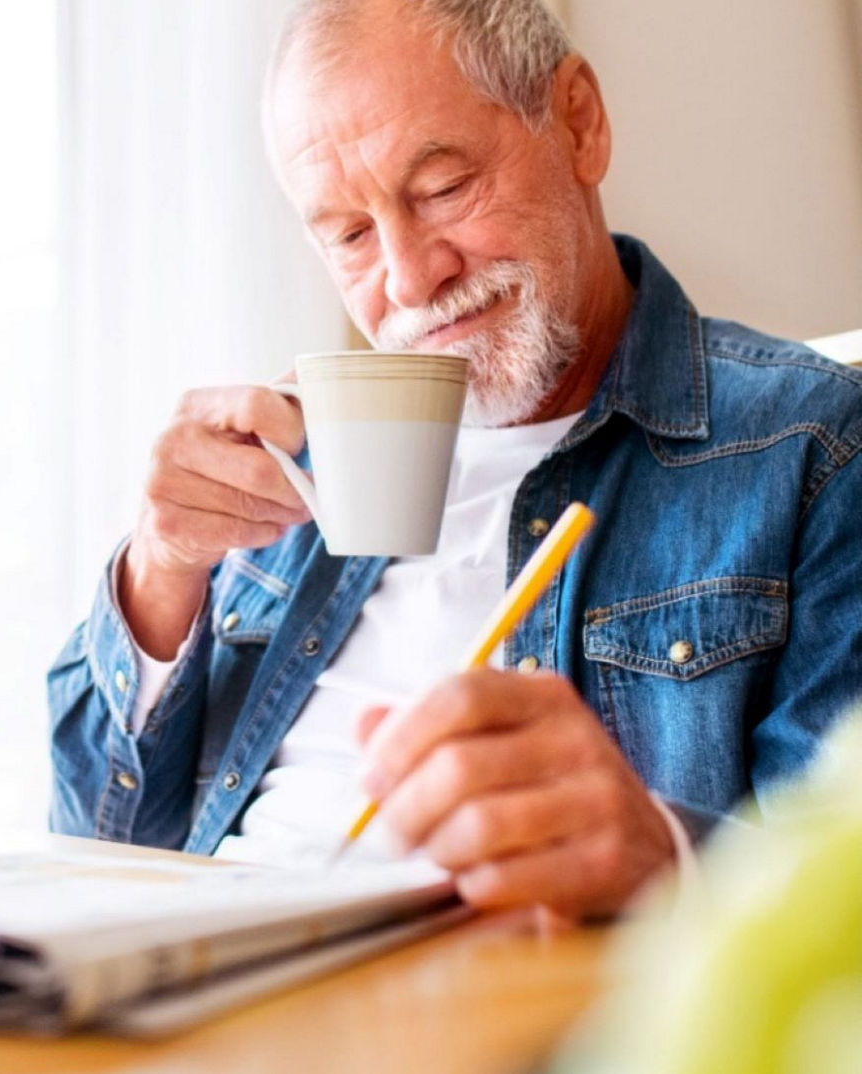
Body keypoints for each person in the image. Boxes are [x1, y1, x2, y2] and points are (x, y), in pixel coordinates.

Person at [48, 0, 862, 919]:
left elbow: (839, 911)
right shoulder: (288, 461)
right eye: (350, 235)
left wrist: (664, 860)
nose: (406, 277)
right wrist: (160, 578)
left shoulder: (811, 446)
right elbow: (90, 851)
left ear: (580, 123)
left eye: (442, 190)